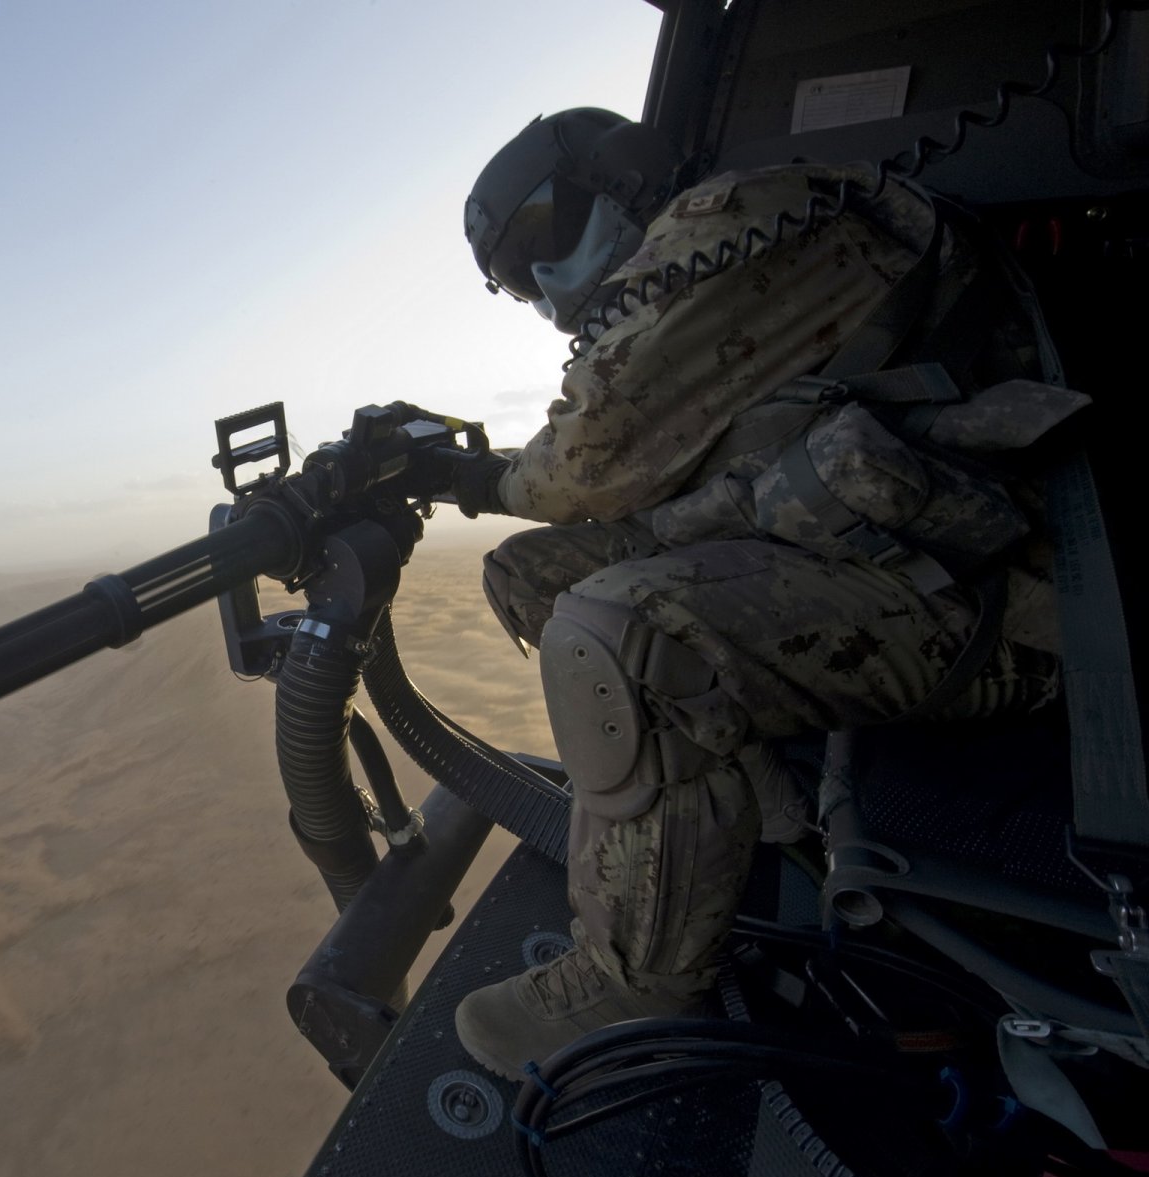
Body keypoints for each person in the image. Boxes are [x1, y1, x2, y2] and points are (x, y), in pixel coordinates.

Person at [440, 109, 1082, 1075]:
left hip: (1004, 594)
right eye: (517, 274)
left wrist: (464, 477)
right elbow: (641, 461)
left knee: (623, 631)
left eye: (541, 240)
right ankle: (755, 812)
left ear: (616, 179)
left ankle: (635, 985)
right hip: (884, 549)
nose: (544, 285)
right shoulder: (711, 248)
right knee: (531, 574)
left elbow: (588, 463)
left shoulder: (747, 218)